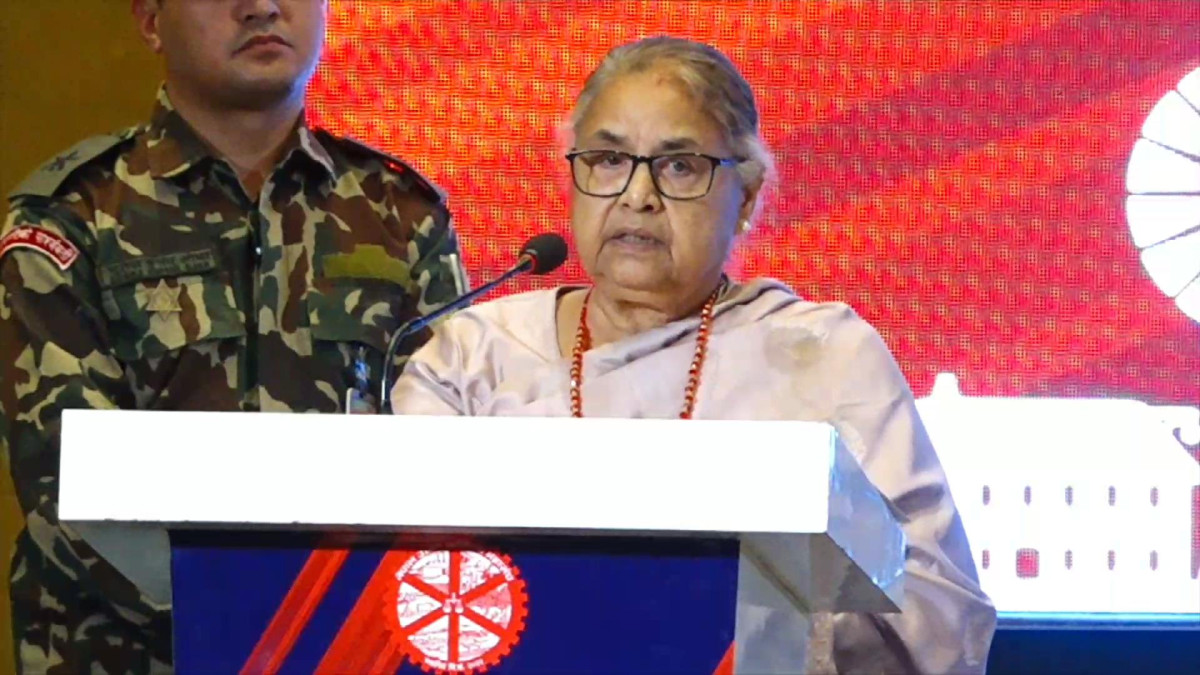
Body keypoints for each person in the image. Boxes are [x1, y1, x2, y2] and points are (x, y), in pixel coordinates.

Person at [390, 36, 996, 673]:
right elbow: (397, 581)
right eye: (607, 159)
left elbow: (937, 611)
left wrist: (750, 623)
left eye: (679, 167)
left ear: (747, 198)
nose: (637, 195)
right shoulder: (472, 360)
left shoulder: (823, 357)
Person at [0, 0, 467, 672]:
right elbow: (62, 475)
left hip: (348, 645)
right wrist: (258, 625)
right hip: (129, 653)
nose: (262, 7)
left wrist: (331, 626)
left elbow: (449, 469)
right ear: (151, 21)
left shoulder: (402, 215)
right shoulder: (73, 217)